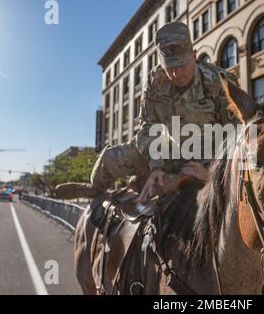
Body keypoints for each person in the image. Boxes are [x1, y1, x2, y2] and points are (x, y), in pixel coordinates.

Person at [90, 21, 237, 202]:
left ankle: (147, 181)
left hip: (208, 155)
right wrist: (156, 166)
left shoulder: (220, 82)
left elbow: (239, 137)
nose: (176, 74)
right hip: (167, 148)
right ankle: (93, 191)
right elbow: (148, 126)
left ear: (194, 55)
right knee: (109, 157)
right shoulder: (156, 82)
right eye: (170, 67)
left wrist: (211, 173)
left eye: (182, 65)